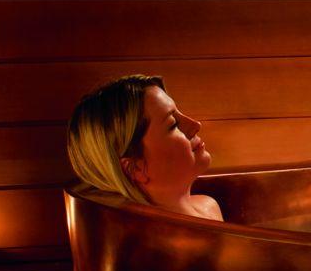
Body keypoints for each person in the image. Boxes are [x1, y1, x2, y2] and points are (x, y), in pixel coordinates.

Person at [66, 74, 222, 220]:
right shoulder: (146, 243)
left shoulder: (208, 206)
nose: (195, 125)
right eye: (173, 124)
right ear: (135, 168)